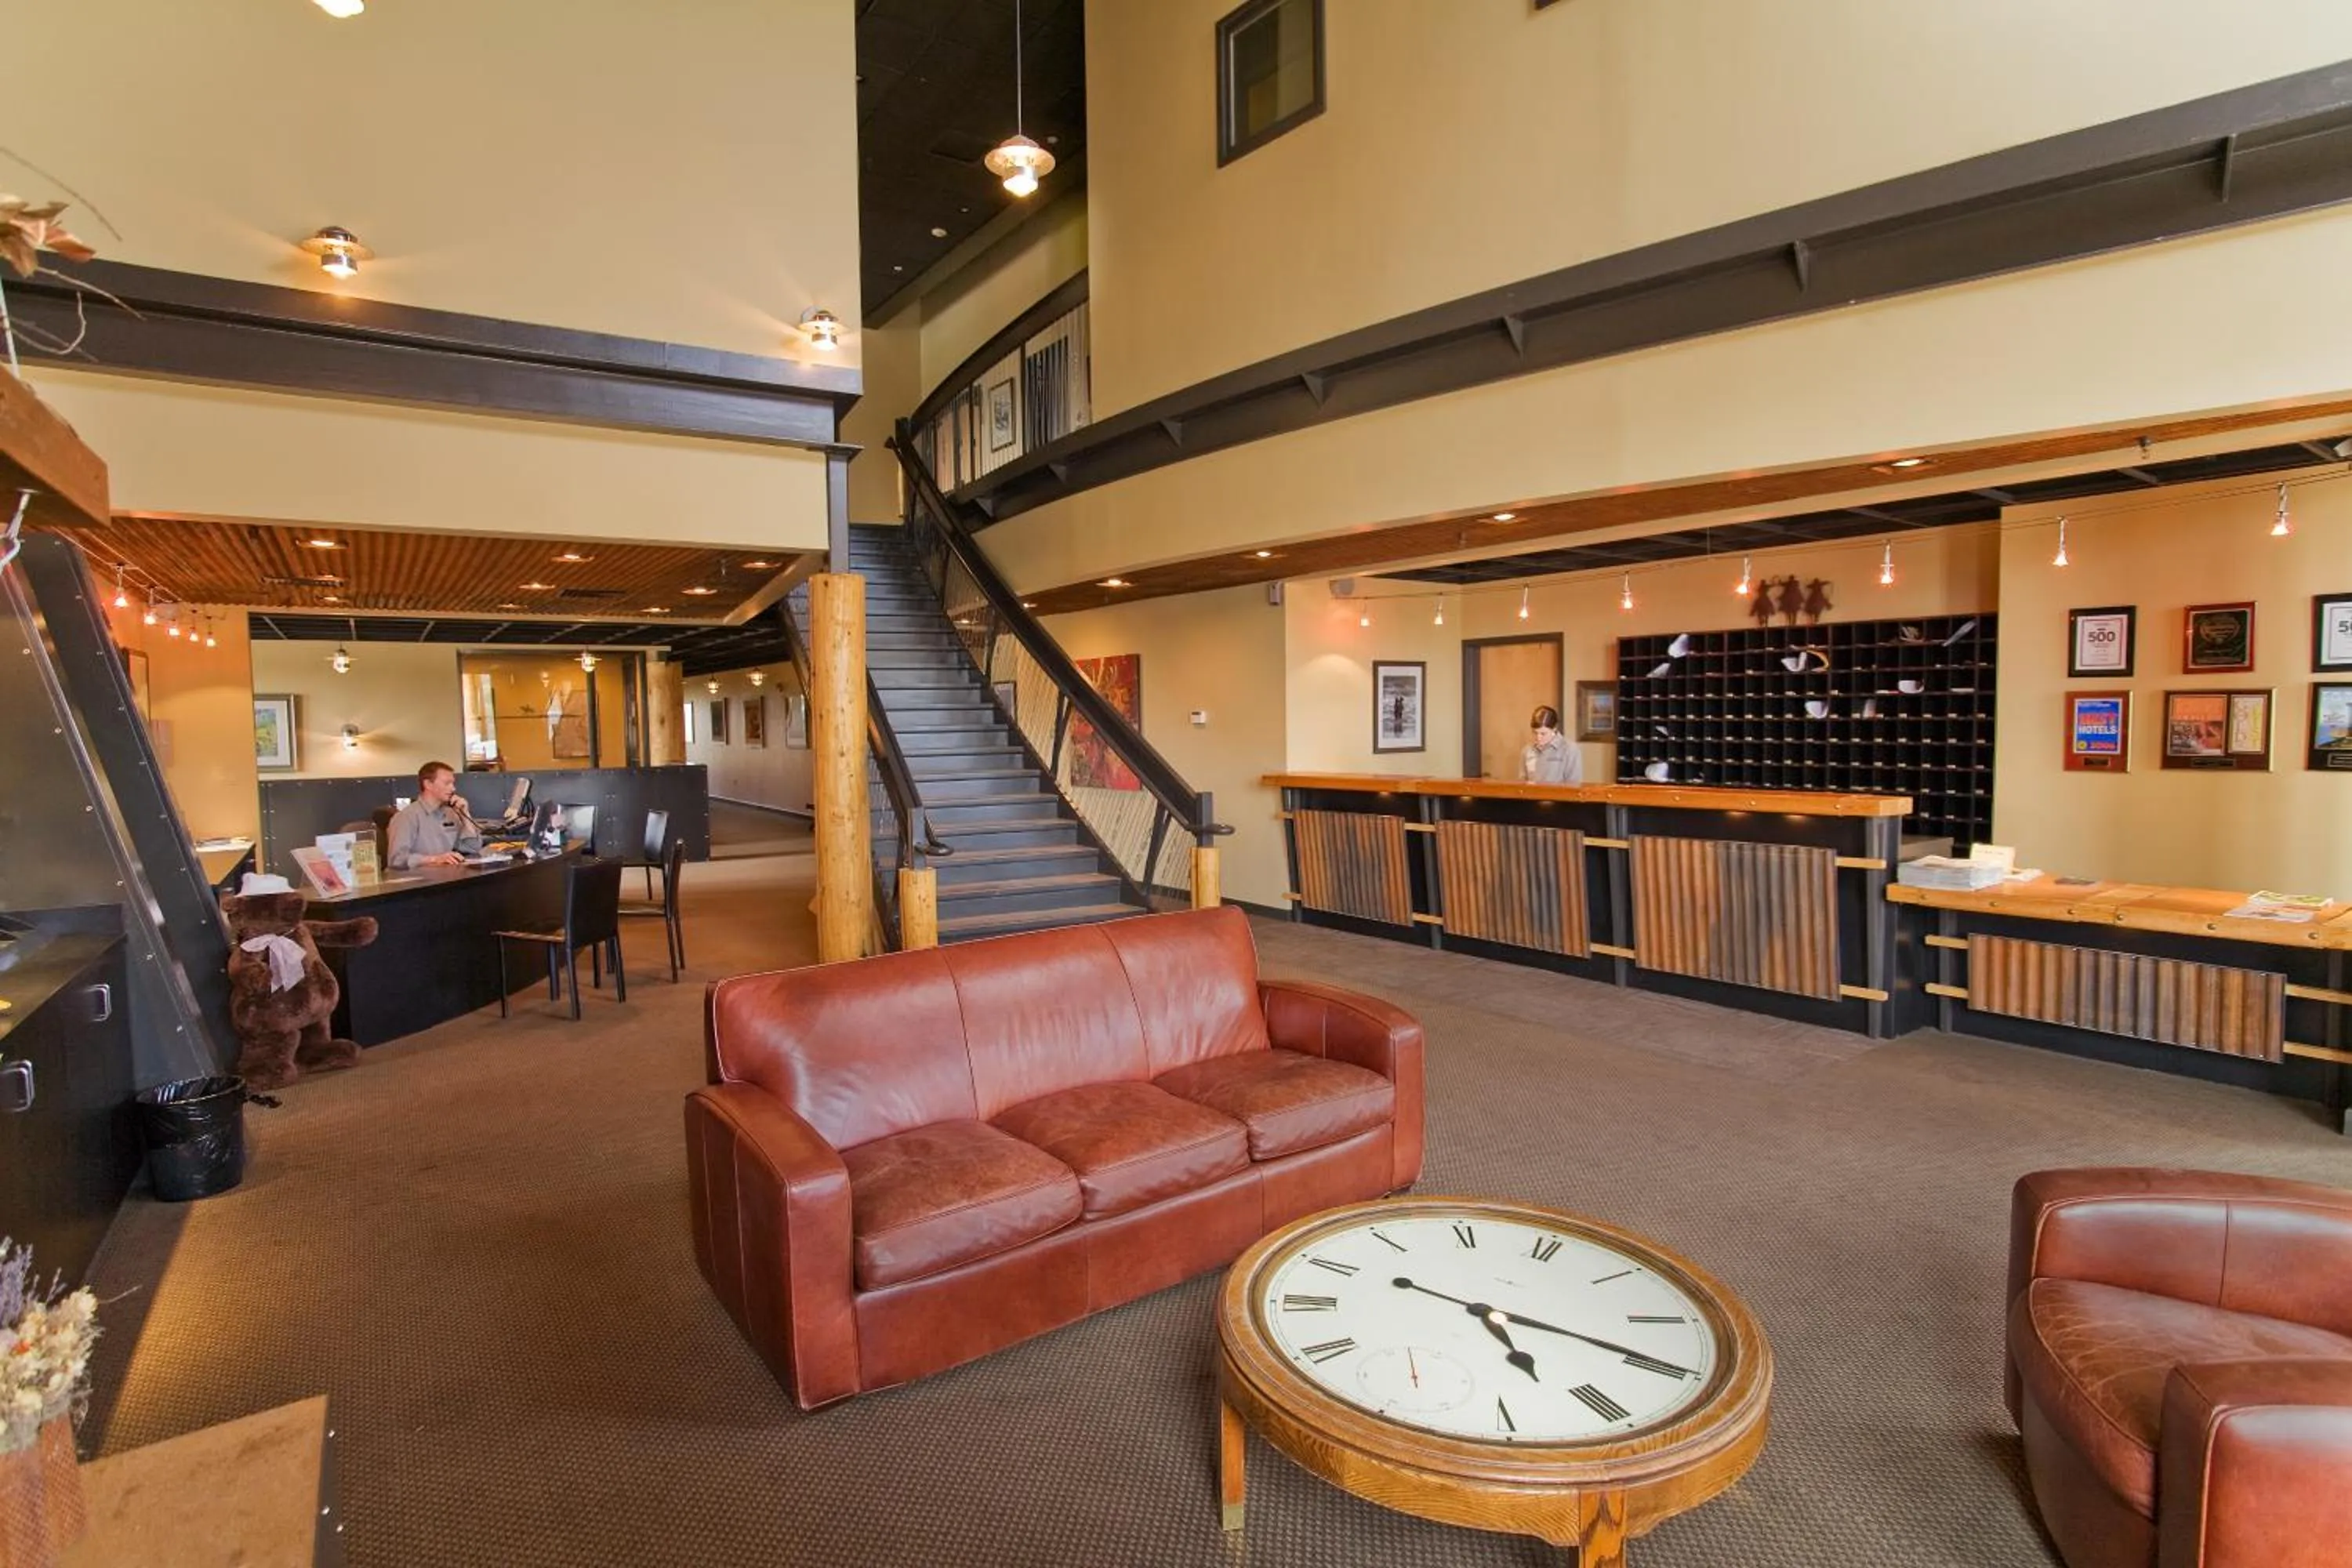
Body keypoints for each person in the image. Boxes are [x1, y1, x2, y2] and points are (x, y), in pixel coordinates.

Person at [386, 760, 485, 869]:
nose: (453, 789)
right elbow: (396, 860)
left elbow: (473, 848)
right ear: (428, 784)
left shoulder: (451, 813)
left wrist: (465, 814)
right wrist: (434, 859)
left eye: (453, 783)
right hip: (420, 882)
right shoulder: (406, 817)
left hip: (447, 878)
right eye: (447, 783)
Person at [1521, 704, 1582, 785]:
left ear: (1554, 729)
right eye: (1535, 733)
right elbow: (1522, 784)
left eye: (1543, 734)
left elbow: (1574, 784)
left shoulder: (1570, 749)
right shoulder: (1527, 750)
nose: (1538, 738)